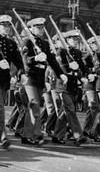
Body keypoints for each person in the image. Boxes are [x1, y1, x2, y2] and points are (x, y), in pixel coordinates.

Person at [20, 17, 67, 145]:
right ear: (31, 28)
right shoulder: (27, 42)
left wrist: (60, 74)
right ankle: (36, 135)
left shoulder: (44, 44)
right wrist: (35, 58)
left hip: (40, 78)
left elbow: (52, 61)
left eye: (42, 27)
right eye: (38, 27)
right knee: (34, 104)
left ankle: (27, 134)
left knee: (35, 105)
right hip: (29, 76)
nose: (41, 30)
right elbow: (24, 60)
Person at [0, 14, 26, 148]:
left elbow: (19, 61)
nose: (7, 28)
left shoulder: (11, 44)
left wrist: (21, 73)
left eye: (8, 25)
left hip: (4, 80)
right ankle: (2, 135)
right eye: (4, 25)